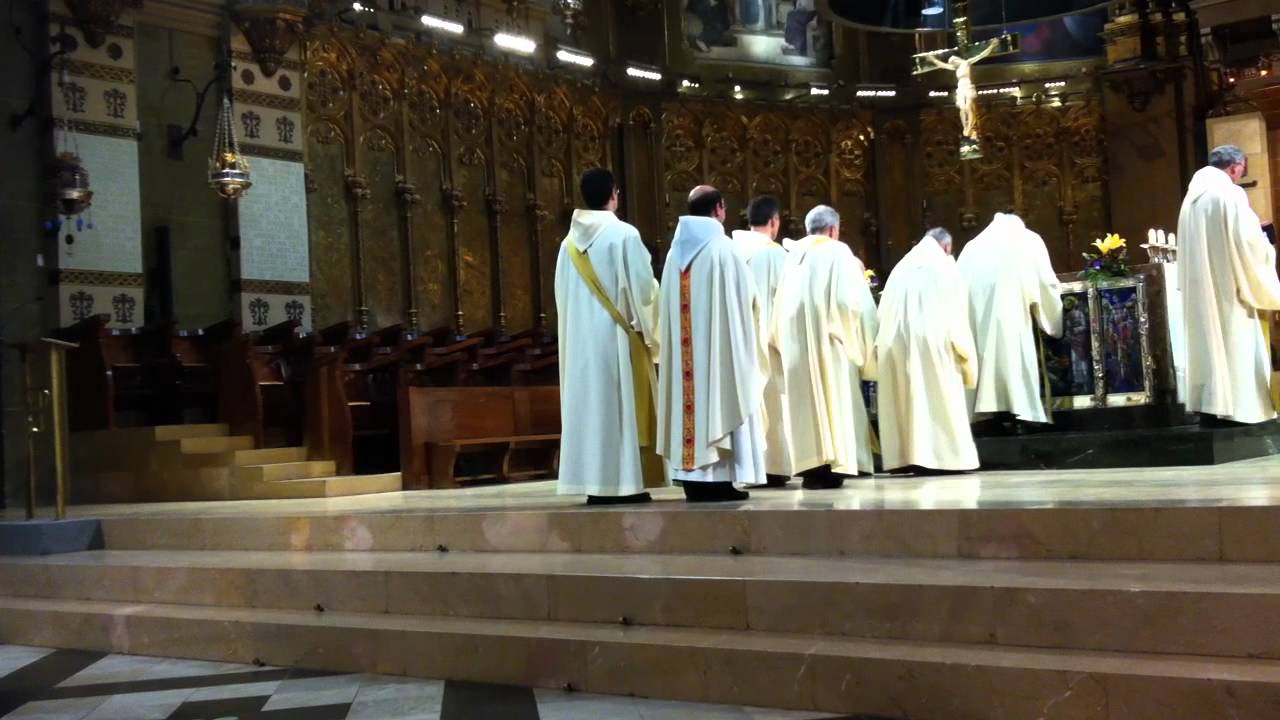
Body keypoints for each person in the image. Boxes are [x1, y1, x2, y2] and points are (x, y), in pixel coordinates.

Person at [555, 168, 664, 504]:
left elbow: (562, 296)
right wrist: (654, 330)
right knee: (620, 410)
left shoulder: (567, 244)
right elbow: (644, 292)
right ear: (614, 193)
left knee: (592, 411)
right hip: (618, 340)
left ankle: (595, 484)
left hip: (581, 344)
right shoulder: (624, 236)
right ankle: (625, 484)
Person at [656, 186, 768, 502]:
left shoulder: (673, 255)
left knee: (688, 403)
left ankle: (691, 478)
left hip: (684, 359)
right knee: (717, 399)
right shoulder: (724, 249)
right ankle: (717, 479)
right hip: (716, 356)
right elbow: (748, 303)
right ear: (719, 208)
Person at [773, 205, 878, 488]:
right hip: (828, 344)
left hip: (797, 344)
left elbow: (779, 305)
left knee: (805, 407)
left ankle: (810, 468)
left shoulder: (792, 256)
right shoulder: (838, 251)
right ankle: (832, 467)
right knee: (832, 402)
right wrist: (852, 337)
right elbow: (848, 302)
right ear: (834, 229)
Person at [1177, 144, 1280, 425]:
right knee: (1236, 344)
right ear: (1235, 167)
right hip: (1229, 290)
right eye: (1241, 171)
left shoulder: (1190, 200)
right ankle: (1238, 408)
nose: (1239, 177)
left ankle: (1211, 404)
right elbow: (1248, 245)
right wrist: (1266, 243)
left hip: (1201, 290)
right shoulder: (1230, 193)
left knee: (1208, 345)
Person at [872, 228, 980, 474]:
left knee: (907, 399)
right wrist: (965, 354)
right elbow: (957, 313)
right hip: (933, 341)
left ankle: (906, 457)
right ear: (946, 247)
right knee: (935, 398)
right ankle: (942, 459)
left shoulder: (900, 267)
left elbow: (882, 312)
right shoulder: (944, 266)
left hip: (893, 343)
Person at [956, 212, 1063, 427]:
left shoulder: (971, 248)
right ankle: (1019, 412)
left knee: (985, 361)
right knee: (1012, 359)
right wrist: (1055, 319)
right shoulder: (1028, 240)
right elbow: (1046, 285)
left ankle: (986, 416)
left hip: (975, 327)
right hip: (1012, 321)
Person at [731, 195, 791, 486]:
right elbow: (787, 303)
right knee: (774, 406)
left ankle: (747, 467)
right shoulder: (775, 254)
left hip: (738, 344)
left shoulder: (729, 250)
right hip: (769, 343)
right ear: (774, 221)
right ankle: (773, 467)